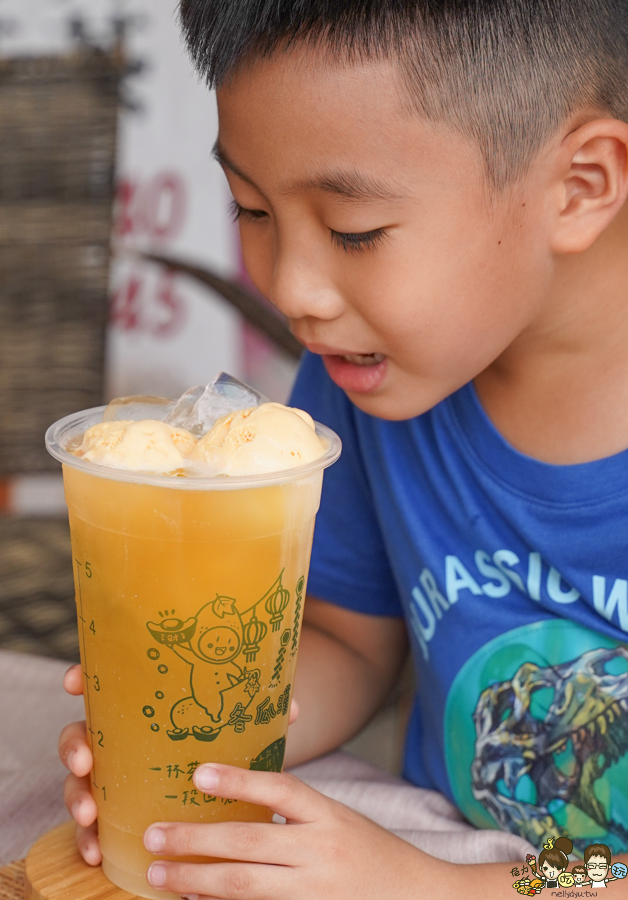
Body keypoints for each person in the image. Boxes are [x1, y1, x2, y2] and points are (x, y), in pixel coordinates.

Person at [59, 1, 628, 896]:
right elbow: (350, 643)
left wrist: (438, 889)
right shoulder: (367, 373)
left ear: (582, 185)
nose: (292, 289)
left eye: (353, 229)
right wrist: (196, 737)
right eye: (250, 207)